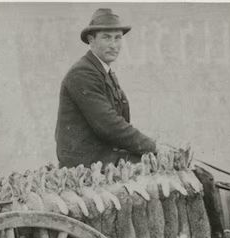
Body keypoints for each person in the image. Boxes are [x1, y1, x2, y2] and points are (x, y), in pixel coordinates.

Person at [55, 8, 167, 169]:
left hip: (103, 154)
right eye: (107, 38)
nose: (114, 45)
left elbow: (118, 122)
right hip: (85, 163)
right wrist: (153, 147)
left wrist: (152, 145)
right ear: (91, 40)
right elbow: (109, 126)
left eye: (118, 38)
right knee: (159, 166)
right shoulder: (83, 73)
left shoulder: (103, 71)